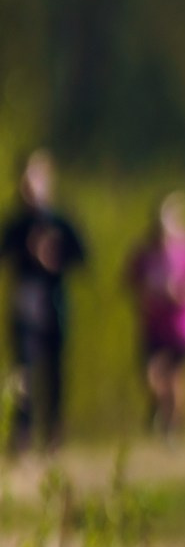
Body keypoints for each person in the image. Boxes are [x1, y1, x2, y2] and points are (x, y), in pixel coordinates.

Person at [1, 154, 89, 456]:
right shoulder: (15, 224)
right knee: (23, 370)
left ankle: (53, 432)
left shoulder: (61, 221)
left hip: (54, 305)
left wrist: (55, 256)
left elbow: (83, 257)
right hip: (25, 306)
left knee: (55, 372)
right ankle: (22, 434)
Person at [123, 193, 185, 436]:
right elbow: (129, 284)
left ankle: (173, 428)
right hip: (153, 326)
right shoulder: (144, 253)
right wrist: (147, 296)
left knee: (177, 379)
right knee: (152, 377)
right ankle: (160, 410)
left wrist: (180, 295)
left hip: (182, 327)